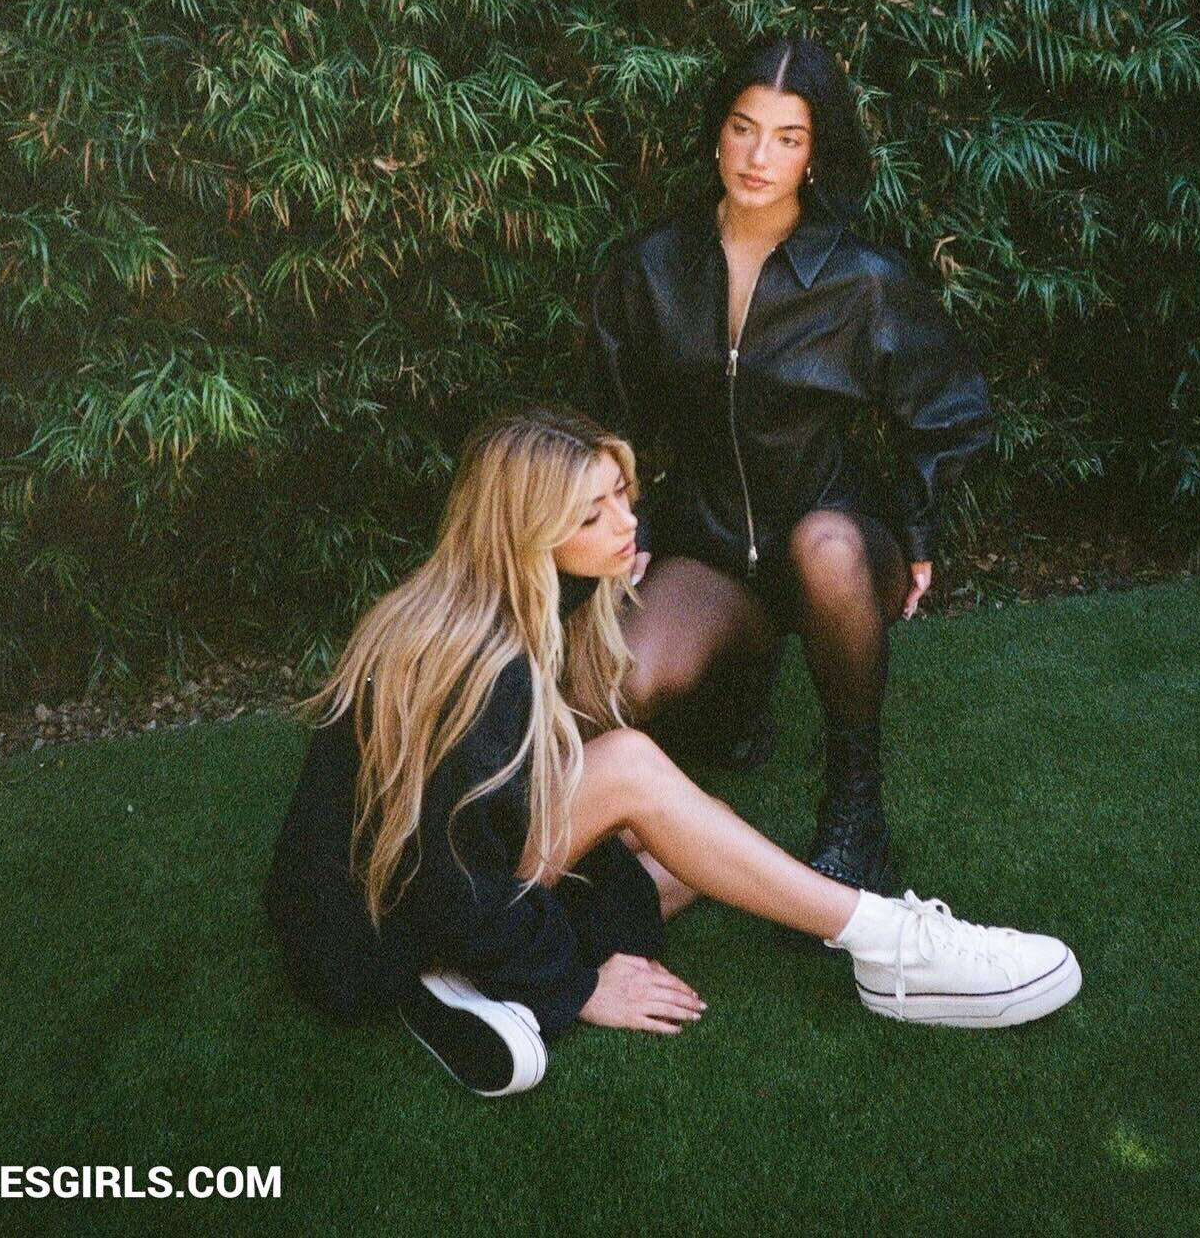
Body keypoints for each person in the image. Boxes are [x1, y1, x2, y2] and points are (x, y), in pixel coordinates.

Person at [264, 408, 1078, 1098]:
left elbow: (477, 830)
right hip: (367, 930)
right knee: (631, 770)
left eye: (621, 495)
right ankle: (893, 947)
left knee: (699, 850)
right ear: (523, 533)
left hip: (429, 883)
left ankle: (462, 987)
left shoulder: (514, 605)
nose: (625, 524)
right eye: (591, 516)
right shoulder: (475, 661)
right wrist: (576, 985)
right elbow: (443, 876)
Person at [578, 34, 994, 894]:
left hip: (830, 534)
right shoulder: (651, 267)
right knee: (625, 682)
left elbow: (949, 409)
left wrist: (917, 527)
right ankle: (733, 699)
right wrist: (633, 526)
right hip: (707, 547)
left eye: (787, 137)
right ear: (716, 133)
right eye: (743, 128)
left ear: (816, 153)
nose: (758, 157)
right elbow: (601, 420)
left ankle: (854, 804)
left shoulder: (862, 281)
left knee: (827, 549)